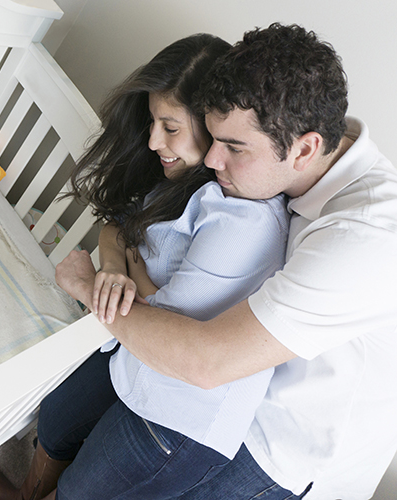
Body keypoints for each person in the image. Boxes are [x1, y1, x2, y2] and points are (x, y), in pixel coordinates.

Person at [57, 23, 397, 500]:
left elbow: (205, 361)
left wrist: (91, 288)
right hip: (236, 395)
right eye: (215, 139)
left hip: (285, 452)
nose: (213, 160)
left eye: (234, 148)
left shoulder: (364, 237)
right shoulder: (297, 135)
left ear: (305, 149)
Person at [0, 33, 291, 500]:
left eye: (169, 126)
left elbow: (164, 324)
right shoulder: (179, 180)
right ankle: (27, 493)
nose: (151, 140)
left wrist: (89, 285)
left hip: (177, 410)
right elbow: (116, 229)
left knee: (85, 489)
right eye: (151, 122)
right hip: (131, 347)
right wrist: (117, 268)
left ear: (212, 124)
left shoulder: (240, 220)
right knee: (59, 415)